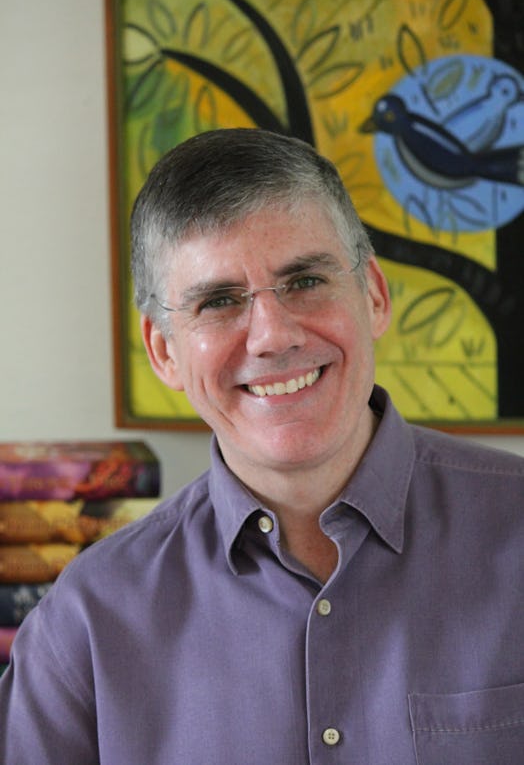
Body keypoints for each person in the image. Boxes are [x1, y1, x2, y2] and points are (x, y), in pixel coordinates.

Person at [1, 128, 523, 765]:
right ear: (164, 351)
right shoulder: (86, 620)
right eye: (219, 301)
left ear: (375, 295)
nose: (273, 336)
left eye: (304, 280)